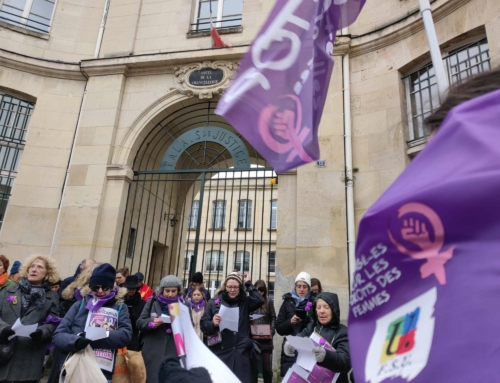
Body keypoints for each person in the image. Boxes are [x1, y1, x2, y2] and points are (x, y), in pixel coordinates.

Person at [53, 263, 132, 383]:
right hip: (76, 366)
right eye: (95, 287)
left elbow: (125, 335)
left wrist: (98, 335)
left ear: (112, 287)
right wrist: (76, 341)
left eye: (105, 287)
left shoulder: (120, 307)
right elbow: (58, 335)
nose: (100, 291)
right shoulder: (79, 305)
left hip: (103, 370)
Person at [0, 255, 60, 382]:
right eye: (32, 266)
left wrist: (41, 332)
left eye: (39, 267)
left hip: (29, 357)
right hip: (3, 351)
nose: (34, 269)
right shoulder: (9, 290)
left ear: (47, 273)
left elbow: (53, 323)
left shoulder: (51, 297)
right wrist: (4, 329)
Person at [201, 272, 264, 383]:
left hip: (240, 352)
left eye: (235, 287)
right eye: (230, 287)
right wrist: (213, 323)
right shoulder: (214, 302)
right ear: (225, 286)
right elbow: (204, 325)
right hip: (220, 351)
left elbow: (260, 300)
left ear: (240, 288)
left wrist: (249, 283)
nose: (232, 290)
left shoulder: (245, 302)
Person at [48, 263, 101, 383]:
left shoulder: (109, 301)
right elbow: (61, 328)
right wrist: (75, 339)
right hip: (69, 349)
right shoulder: (73, 295)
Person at [283, 292, 351, 383]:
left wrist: (327, 356)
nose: (321, 311)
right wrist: (290, 345)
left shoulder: (343, 332)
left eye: (326, 307)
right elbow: (300, 339)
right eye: (318, 307)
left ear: (333, 310)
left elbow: (345, 362)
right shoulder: (311, 327)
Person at [137, 275, 189, 383]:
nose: (170, 294)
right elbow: (140, 322)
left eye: (173, 291)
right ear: (161, 290)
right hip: (152, 350)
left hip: (174, 350)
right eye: (167, 291)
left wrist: (180, 322)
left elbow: (190, 327)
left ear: (178, 291)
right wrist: (151, 322)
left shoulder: (184, 304)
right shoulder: (152, 302)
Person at [276, 271, 316, 377]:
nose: (301, 289)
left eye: (304, 286)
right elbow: (279, 328)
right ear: (295, 287)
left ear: (309, 288)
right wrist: (290, 322)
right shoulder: (287, 302)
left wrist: (305, 319)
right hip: (290, 349)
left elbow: (317, 326)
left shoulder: (315, 301)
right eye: (299, 286)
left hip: (307, 349)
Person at [250, 280, 276, 383]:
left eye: (262, 291)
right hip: (254, 338)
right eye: (258, 291)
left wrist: (272, 331)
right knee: (253, 367)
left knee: (267, 368)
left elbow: (273, 317)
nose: (260, 293)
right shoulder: (251, 301)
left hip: (266, 339)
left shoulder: (269, 301)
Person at [123, 275, 146, 351]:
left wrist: (134, 316)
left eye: (133, 288)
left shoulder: (141, 303)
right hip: (120, 336)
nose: (131, 290)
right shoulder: (120, 301)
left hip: (133, 337)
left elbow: (142, 322)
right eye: (129, 288)